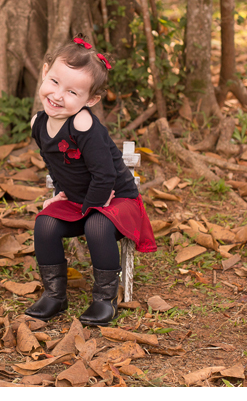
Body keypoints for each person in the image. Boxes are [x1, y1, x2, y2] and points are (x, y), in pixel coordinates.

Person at [25, 35, 157, 326]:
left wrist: (90, 207)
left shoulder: (83, 123)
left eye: (73, 92)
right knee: (45, 223)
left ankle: (104, 299)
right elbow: (55, 162)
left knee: (96, 225)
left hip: (114, 198)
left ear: (91, 100)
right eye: (55, 82)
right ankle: (54, 295)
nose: (58, 95)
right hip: (79, 200)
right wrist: (61, 192)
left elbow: (105, 175)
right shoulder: (39, 123)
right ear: (45, 72)